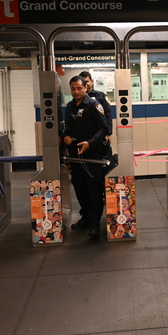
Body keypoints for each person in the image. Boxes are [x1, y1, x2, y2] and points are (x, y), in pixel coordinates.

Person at [63, 75, 109, 240]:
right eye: (73, 89)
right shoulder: (69, 107)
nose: (76, 91)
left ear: (85, 88)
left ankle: (95, 224)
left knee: (93, 190)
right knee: (80, 189)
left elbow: (104, 128)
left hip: (93, 155)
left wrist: (90, 143)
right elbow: (67, 127)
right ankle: (86, 217)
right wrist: (66, 137)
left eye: (79, 88)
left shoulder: (93, 106)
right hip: (76, 156)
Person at [79, 71, 112, 142]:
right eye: (83, 82)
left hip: (99, 132)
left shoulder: (100, 96)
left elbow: (108, 114)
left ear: (92, 81)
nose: (85, 84)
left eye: (87, 81)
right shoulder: (78, 99)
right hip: (83, 134)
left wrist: (108, 133)